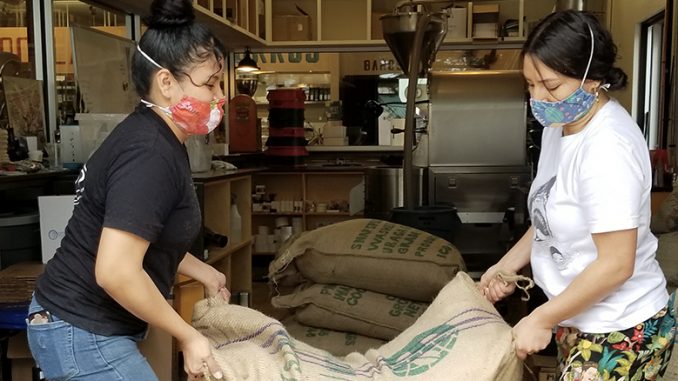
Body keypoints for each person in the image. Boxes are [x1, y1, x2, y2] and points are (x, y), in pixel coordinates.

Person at [26, 0, 229, 379]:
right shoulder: (149, 153)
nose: (219, 97)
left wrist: (203, 271)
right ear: (166, 83)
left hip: (82, 323)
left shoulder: (160, 138)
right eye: (210, 84)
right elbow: (116, 270)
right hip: (79, 327)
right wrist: (187, 336)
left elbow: (143, 232)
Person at [479, 10, 676, 380]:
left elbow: (617, 264)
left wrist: (541, 318)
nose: (538, 98)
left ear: (593, 79)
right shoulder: (561, 125)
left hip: (622, 327)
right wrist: (507, 265)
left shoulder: (607, 148)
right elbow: (550, 214)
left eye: (550, 86)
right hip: (578, 315)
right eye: (530, 84)